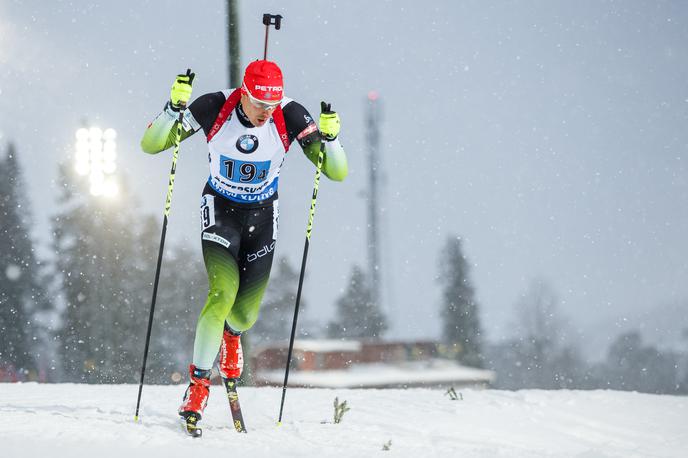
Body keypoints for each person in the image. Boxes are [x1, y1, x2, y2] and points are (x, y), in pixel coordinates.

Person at [140, 60, 348, 424]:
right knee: (221, 294)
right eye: (259, 103)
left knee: (245, 314)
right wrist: (172, 109)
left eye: (273, 104)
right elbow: (151, 145)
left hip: (263, 217)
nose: (267, 112)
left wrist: (331, 141)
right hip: (221, 209)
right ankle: (199, 385)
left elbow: (335, 172)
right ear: (243, 93)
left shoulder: (290, 115)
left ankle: (231, 336)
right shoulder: (214, 107)